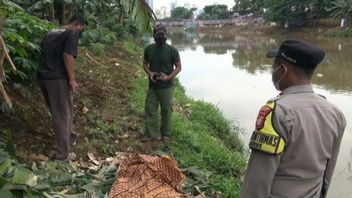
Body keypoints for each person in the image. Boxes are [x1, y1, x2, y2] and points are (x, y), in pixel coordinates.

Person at [240, 40, 346, 198]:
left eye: (274, 67)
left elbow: (258, 180)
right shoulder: (336, 114)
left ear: (282, 70)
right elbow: (327, 175)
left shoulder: (277, 112)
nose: (273, 72)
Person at [38, 16, 87, 160]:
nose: (81, 32)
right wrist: (72, 79)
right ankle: (62, 154)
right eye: (82, 29)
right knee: (62, 115)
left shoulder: (52, 31)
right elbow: (67, 55)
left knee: (62, 110)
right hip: (57, 78)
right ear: (77, 24)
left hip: (43, 76)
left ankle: (69, 137)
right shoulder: (72, 32)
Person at [141, 24, 181, 142]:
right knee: (150, 109)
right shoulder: (148, 49)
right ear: (154, 35)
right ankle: (153, 134)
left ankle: (166, 134)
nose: (160, 37)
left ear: (166, 35)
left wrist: (168, 77)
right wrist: (150, 73)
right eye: (158, 35)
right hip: (153, 86)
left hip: (166, 87)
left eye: (162, 34)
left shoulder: (172, 50)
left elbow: (178, 67)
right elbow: (144, 64)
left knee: (166, 111)